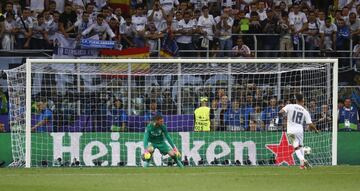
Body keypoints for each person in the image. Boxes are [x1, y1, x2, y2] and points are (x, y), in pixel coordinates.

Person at [279, 93, 318, 169]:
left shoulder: (290, 106)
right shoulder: (305, 111)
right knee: (300, 147)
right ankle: (302, 165)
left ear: (296, 100)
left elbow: (280, 112)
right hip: (300, 130)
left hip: (291, 130)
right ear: (303, 100)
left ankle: (303, 160)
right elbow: (310, 124)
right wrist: (315, 130)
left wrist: (285, 117)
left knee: (296, 148)